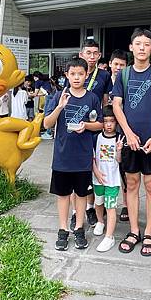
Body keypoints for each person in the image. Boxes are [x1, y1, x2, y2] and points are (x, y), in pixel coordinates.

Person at [112, 28, 151, 257]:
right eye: (138, 43)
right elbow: (117, 105)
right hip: (130, 142)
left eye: (147, 44)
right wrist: (127, 133)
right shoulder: (124, 75)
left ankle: (149, 231)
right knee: (132, 184)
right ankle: (134, 230)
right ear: (131, 47)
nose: (142, 48)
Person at [44, 57, 103, 251]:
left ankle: (79, 228)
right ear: (67, 75)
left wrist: (85, 125)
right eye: (72, 74)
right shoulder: (59, 95)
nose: (76, 77)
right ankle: (62, 230)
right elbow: (47, 124)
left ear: (86, 75)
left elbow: (100, 124)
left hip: (83, 157)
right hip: (62, 156)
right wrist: (60, 106)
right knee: (63, 195)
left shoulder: (92, 98)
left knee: (81, 194)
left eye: (80, 74)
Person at [68, 39, 113, 230]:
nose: (92, 56)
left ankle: (89, 208)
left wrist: (102, 126)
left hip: (94, 130)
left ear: (99, 55)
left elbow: (105, 103)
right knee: (72, 173)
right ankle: (74, 213)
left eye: (95, 53)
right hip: (73, 133)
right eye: (88, 53)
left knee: (92, 170)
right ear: (81, 54)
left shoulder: (104, 75)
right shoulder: (74, 72)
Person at [91, 105, 124, 252]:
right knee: (98, 202)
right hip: (98, 178)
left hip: (113, 180)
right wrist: (96, 172)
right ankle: (100, 221)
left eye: (112, 121)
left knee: (110, 207)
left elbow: (119, 161)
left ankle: (109, 237)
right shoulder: (96, 138)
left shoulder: (119, 138)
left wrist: (119, 150)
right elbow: (91, 157)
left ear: (116, 122)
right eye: (106, 121)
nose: (109, 124)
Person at [108, 49, 130, 221]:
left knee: (124, 170)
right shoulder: (103, 81)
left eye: (122, 65)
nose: (118, 67)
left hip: (122, 132)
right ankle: (104, 205)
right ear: (110, 64)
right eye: (116, 64)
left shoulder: (128, 81)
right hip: (105, 132)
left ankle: (126, 205)